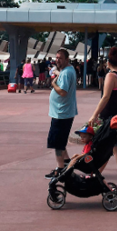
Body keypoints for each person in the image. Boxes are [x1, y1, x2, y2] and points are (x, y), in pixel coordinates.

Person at [88, 47, 117, 192]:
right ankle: (95, 175)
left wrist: (94, 115)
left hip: (111, 118)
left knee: (112, 148)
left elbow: (105, 97)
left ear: (108, 62)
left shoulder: (111, 76)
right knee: (111, 147)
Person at [45, 48, 78, 180]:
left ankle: (60, 169)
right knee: (61, 141)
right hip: (63, 112)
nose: (57, 60)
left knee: (57, 143)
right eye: (57, 57)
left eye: (60, 58)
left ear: (66, 59)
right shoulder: (68, 70)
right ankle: (67, 163)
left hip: (61, 113)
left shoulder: (66, 73)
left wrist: (53, 84)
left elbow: (63, 92)